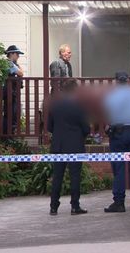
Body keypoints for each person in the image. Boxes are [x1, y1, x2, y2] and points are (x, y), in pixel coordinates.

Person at [103, 71, 130, 213]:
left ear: (116, 81)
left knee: (119, 169)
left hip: (118, 133)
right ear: (129, 80)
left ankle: (119, 202)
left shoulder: (111, 96)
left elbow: (107, 112)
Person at [47, 79, 90, 216]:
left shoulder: (55, 106)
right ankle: (75, 206)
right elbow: (86, 128)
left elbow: (49, 127)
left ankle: (53, 207)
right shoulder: (79, 106)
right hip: (75, 145)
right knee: (75, 176)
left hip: (59, 145)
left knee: (57, 176)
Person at [2, 45, 24, 137]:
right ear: (11, 54)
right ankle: (8, 136)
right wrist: (19, 66)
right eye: (17, 54)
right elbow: (21, 73)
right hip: (9, 92)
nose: (18, 56)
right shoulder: (9, 63)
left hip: (12, 92)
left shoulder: (12, 64)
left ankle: (10, 134)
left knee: (13, 113)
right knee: (10, 114)